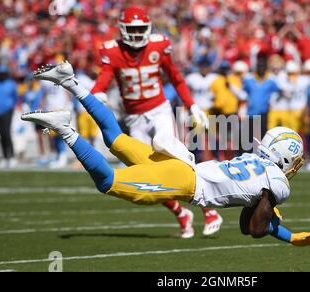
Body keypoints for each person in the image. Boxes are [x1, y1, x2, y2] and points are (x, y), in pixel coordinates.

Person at [22, 60, 310, 246]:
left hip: (181, 162)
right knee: (109, 183)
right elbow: (254, 229)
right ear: (285, 158)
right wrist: (287, 235)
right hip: (183, 180)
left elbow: (250, 220)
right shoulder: (277, 184)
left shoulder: (257, 163)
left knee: (116, 138)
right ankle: (66, 129)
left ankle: (71, 82)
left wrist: (272, 215)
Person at [89, 7, 221, 238]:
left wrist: (192, 105)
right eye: (133, 29)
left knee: (171, 153)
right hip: (134, 117)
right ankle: (181, 213)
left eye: (141, 28)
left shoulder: (159, 45)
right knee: (147, 174)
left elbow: (176, 78)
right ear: (123, 30)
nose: (138, 33)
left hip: (159, 109)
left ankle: (209, 210)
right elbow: (104, 79)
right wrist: (97, 93)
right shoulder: (113, 51)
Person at [0, 65, 17, 168]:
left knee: (7, 133)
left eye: (3, 74)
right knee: (1, 135)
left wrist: (11, 108)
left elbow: (15, 97)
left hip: (7, 111)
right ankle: (5, 157)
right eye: (0, 73)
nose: (2, 75)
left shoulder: (11, 84)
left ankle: (12, 156)